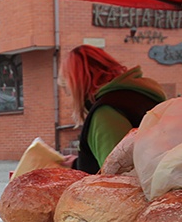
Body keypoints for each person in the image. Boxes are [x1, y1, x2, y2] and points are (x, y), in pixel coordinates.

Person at [61, 45, 166, 173]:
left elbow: (117, 175)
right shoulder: (142, 95)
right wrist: (78, 163)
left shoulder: (106, 113)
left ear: (77, 84)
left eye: (67, 88)